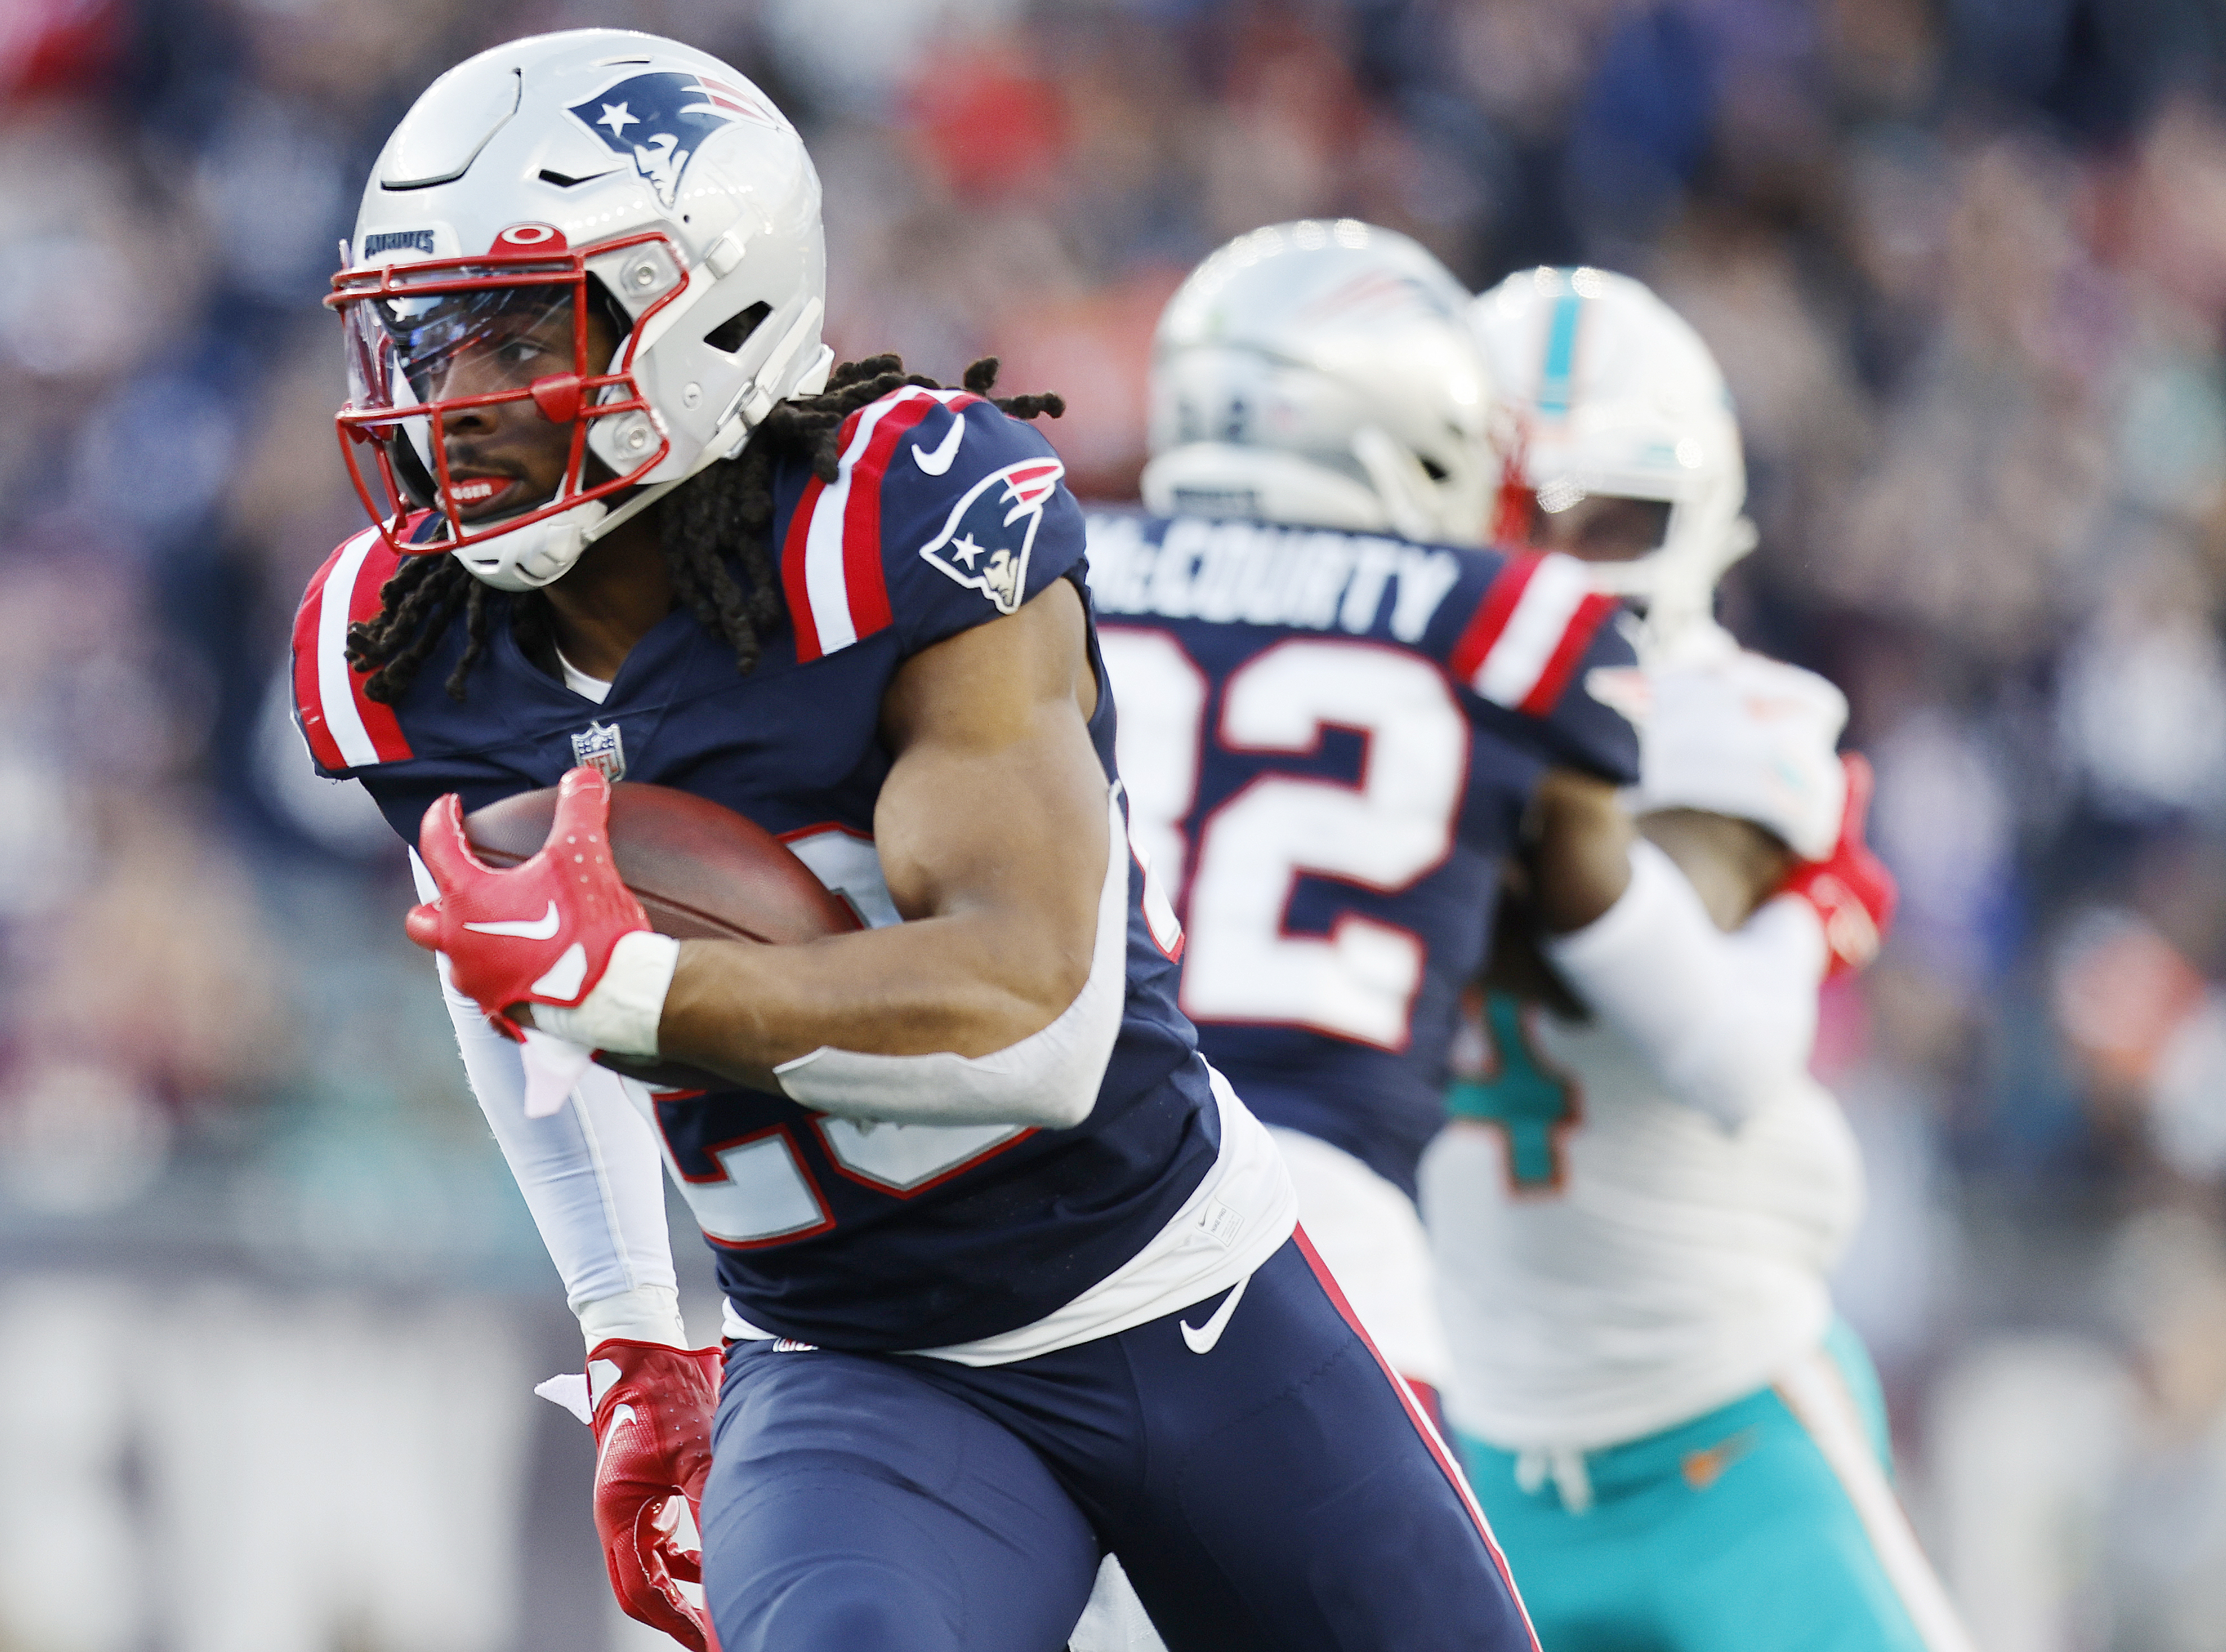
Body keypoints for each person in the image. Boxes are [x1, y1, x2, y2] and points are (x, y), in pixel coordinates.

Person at [293, 30, 1533, 1652]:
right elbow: (503, 957)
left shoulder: (900, 520)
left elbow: (1038, 1019)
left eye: (518, 329)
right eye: (426, 335)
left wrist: (653, 992)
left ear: (707, 313)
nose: (451, 401)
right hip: (856, 1360)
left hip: (1184, 1293)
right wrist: (627, 1329)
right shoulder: (401, 638)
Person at [1077, 220, 1656, 1651]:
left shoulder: (1049, 566)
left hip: (1043, 1196)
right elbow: (1591, 905)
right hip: (1321, 1235)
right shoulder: (1508, 623)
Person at [1410, 265, 1969, 1652]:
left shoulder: (1742, 718)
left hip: (1728, 1430)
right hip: (1476, 1438)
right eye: (1514, 513)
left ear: (1699, 514)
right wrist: (1803, 912)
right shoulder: (1372, 716)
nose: (1553, 558)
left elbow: (1724, 1055)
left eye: (1608, 519)